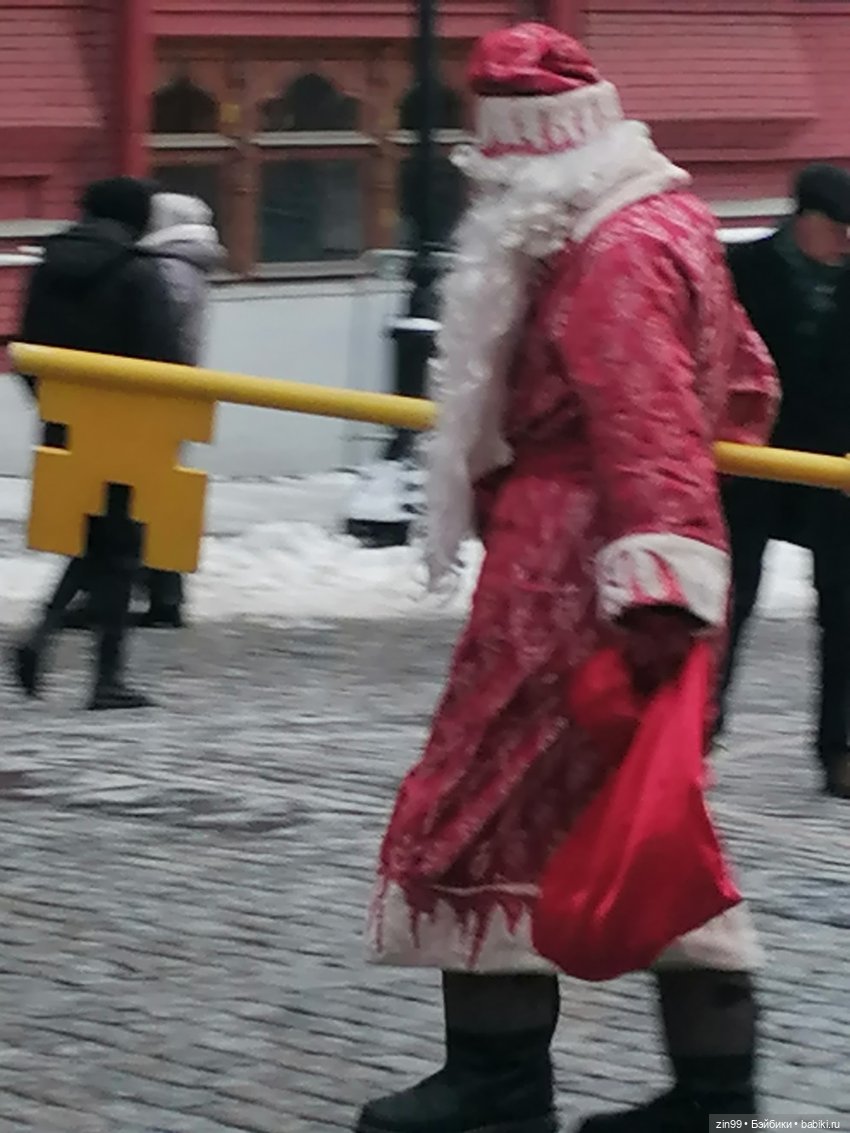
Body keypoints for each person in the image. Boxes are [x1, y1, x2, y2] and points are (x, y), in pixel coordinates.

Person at [355, 23, 779, 1133]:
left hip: (583, 566)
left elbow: (645, 426)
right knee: (636, 815)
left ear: (524, 158)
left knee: (491, 809)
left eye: (491, 167)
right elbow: (746, 390)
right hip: (616, 552)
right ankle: (707, 1091)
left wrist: (647, 581)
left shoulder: (607, 251)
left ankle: (498, 1080)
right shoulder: (668, 221)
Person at [11, 175, 183, 710]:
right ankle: (102, 676)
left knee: (92, 541)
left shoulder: (48, 268)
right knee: (119, 547)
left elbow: (27, 345)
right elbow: (163, 357)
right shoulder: (138, 272)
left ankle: (47, 637)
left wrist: (50, 404)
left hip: (62, 421)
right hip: (127, 424)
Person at [717, 164, 850, 799]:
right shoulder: (740, 272)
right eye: (837, 229)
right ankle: (698, 727)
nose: (847, 242)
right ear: (803, 219)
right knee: (727, 600)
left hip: (836, 468)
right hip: (749, 462)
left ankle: (841, 749)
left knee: (845, 609)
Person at [133, 190, 225, 628]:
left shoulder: (168, 269)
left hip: (158, 395)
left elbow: (157, 332)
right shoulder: (186, 264)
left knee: (155, 499)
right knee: (158, 496)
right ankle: (161, 589)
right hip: (173, 392)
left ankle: (165, 593)